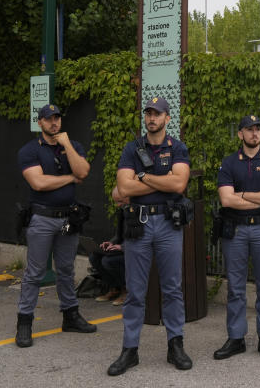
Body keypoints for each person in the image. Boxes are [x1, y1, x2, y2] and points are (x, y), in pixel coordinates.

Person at [107, 96, 192, 376]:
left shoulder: (177, 148)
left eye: (157, 114)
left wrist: (142, 177)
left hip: (168, 223)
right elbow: (122, 187)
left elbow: (179, 183)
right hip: (139, 224)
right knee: (135, 291)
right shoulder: (133, 148)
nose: (152, 118)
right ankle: (129, 350)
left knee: (172, 288)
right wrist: (159, 180)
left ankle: (175, 345)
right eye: (148, 113)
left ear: (168, 118)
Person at [15, 103, 96, 348]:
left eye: (57, 118)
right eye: (49, 119)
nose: (54, 123)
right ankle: (24, 322)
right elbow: (38, 183)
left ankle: (70, 316)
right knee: (35, 273)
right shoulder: (29, 151)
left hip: (67, 219)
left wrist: (68, 145)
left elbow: (84, 171)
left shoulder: (73, 146)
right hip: (42, 218)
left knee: (66, 270)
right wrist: (70, 178)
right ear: (39, 122)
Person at [213, 114, 260, 362]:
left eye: (258, 129)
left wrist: (242, 194)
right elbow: (226, 200)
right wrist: (258, 196)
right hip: (237, 231)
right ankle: (236, 339)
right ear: (240, 134)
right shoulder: (229, 163)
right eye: (249, 129)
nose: (255, 133)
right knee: (235, 287)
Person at [91, 186, 128, 305]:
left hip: (134, 250)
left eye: (120, 201)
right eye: (116, 201)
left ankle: (126, 290)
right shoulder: (122, 211)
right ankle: (114, 288)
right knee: (94, 257)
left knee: (109, 261)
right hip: (124, 249)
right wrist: (111, 243)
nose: (117, 205)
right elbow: (119, 235)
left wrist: (123, 247)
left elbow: (142, 239)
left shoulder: (139, 212)